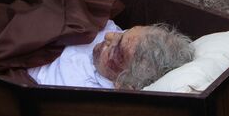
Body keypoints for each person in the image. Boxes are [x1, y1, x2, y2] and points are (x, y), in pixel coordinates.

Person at [28, 22, 195, 89]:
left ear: (122, 82)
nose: (109, 36)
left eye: (116, 49)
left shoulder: (72, 87)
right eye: (123, 32)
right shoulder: (107, 28)